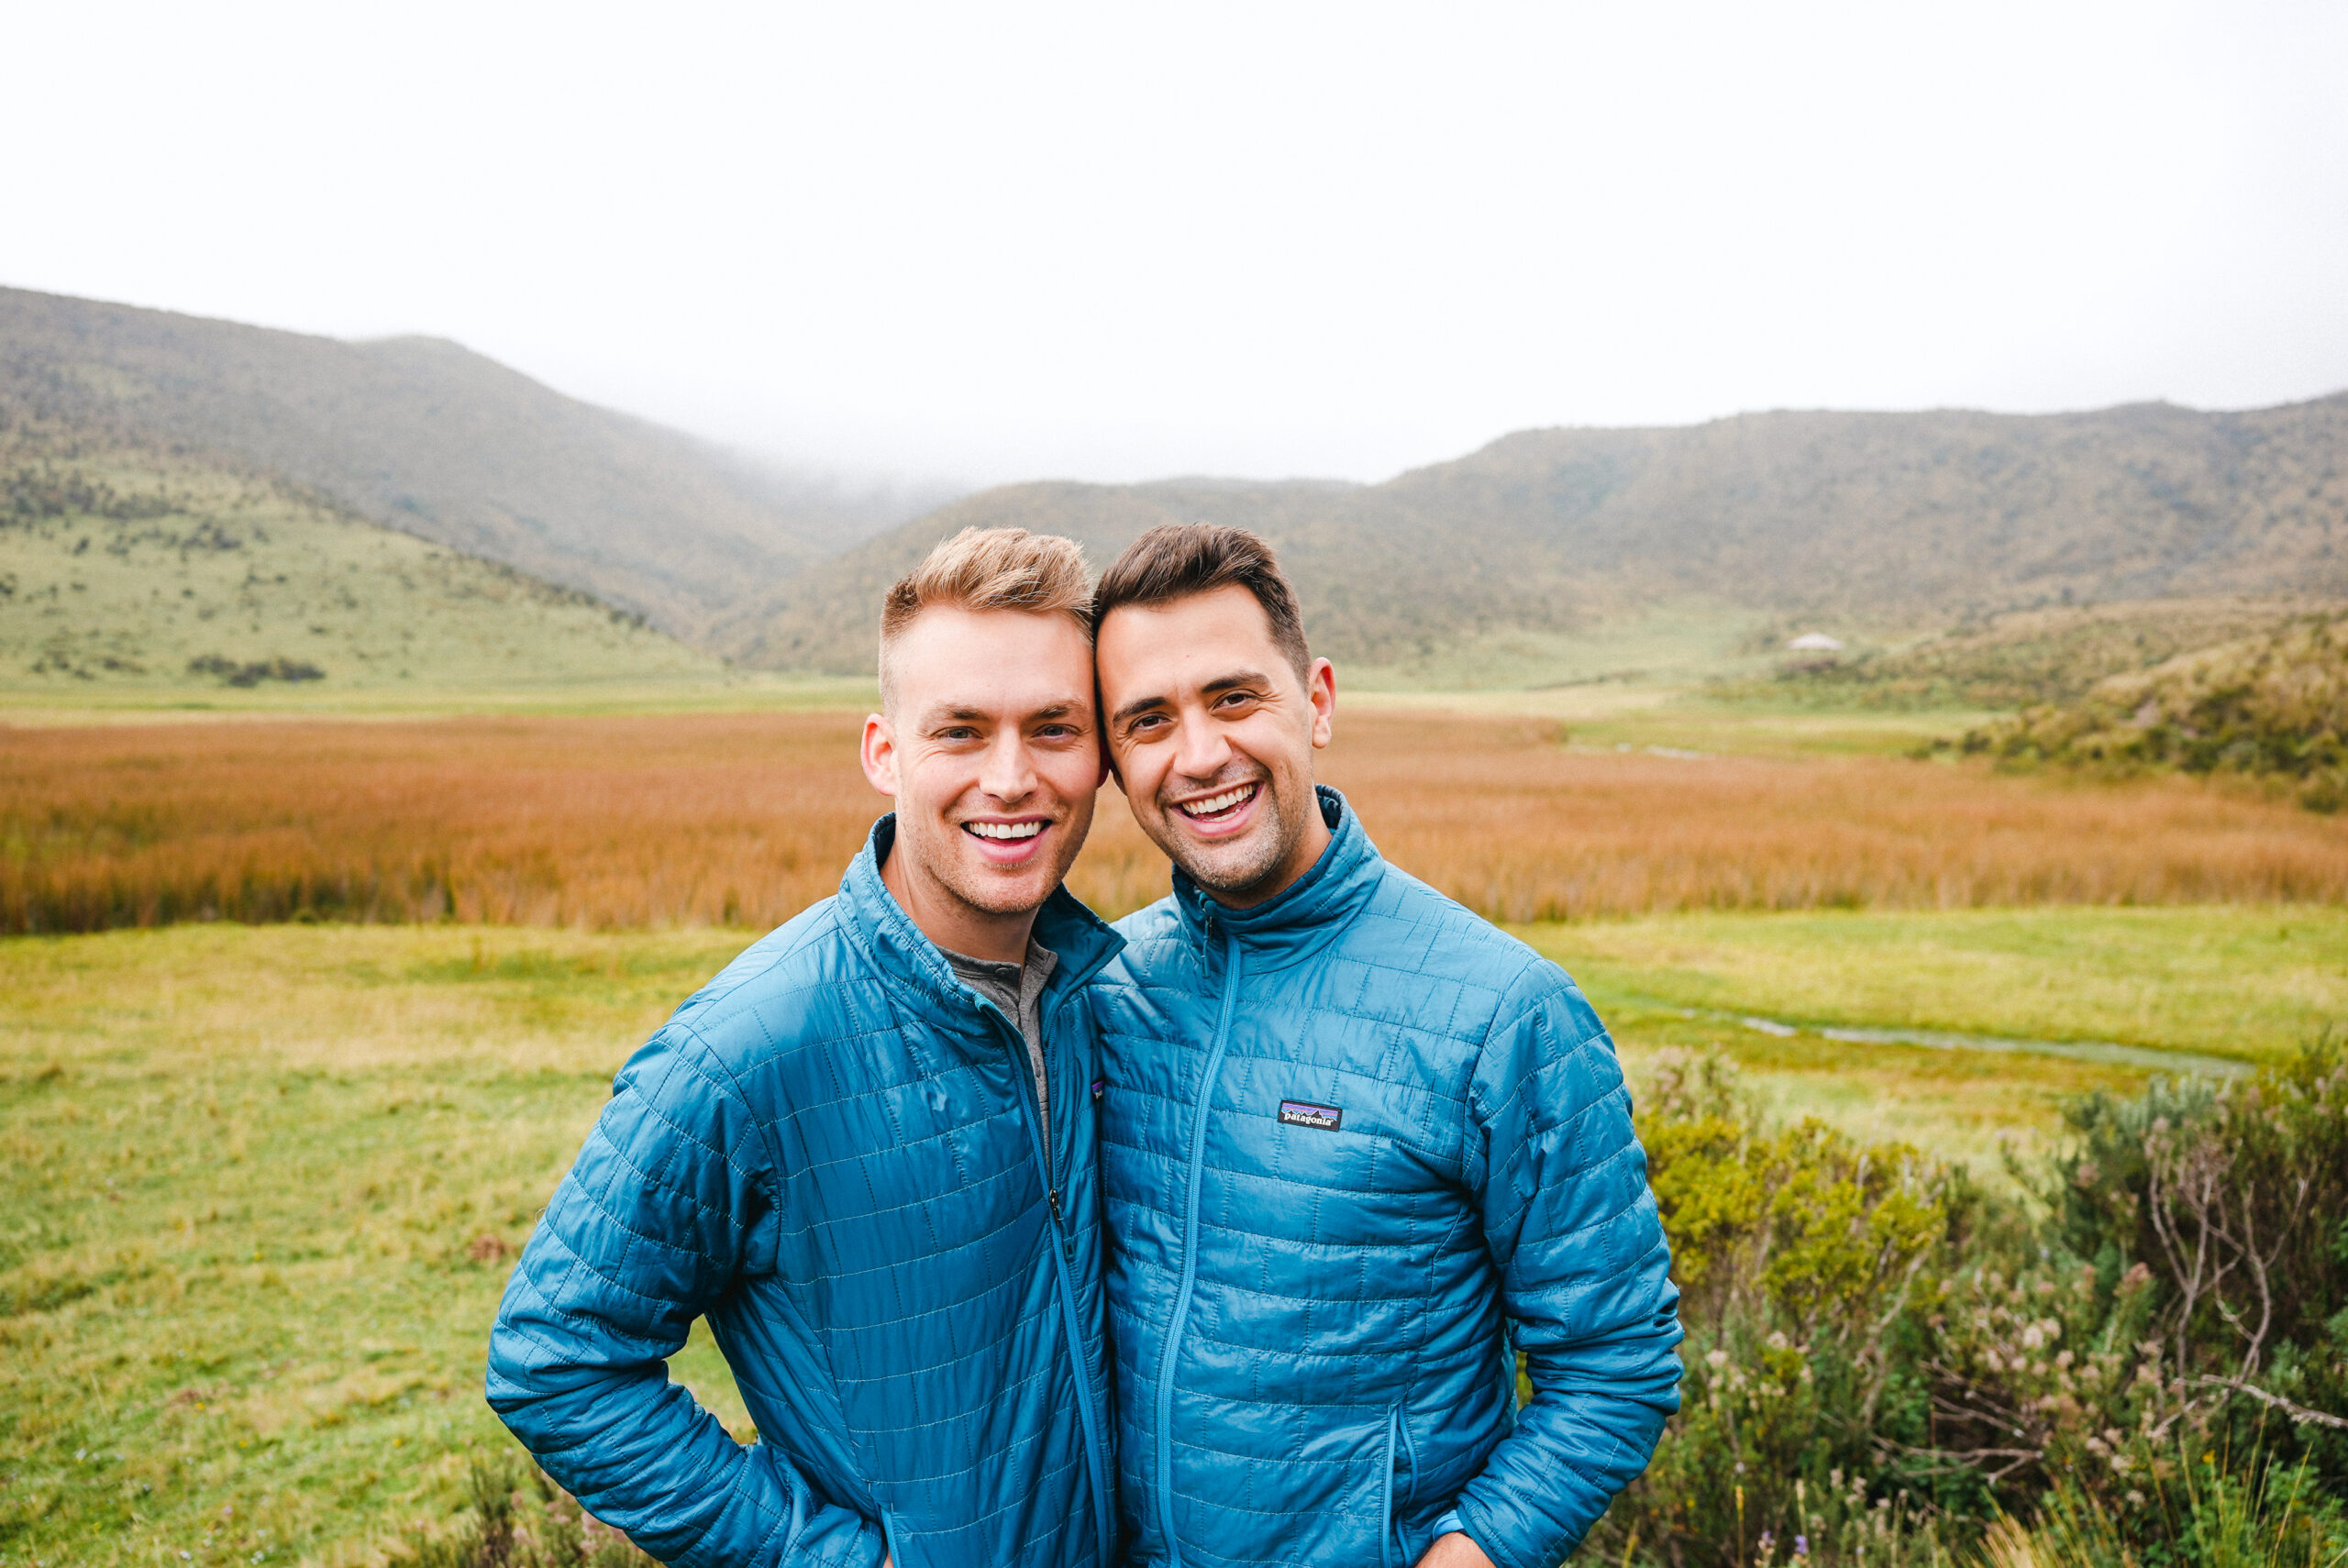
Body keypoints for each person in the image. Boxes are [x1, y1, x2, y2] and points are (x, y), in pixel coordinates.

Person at [486, 527, 1122, 1568]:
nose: (1011, 778)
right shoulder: (744, 1049)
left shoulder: (1108, 994)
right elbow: (556, 1360)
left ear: (1097, 755)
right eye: (958, 732)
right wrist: (816, 1556)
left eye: (1053, 728)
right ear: (884, 751)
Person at [1089, 524, 1683, 1568]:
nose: (1199, 755)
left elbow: (1615, 1363)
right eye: (1148, 721)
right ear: (1113, 760)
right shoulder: (1105, 990)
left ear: (1315, 701)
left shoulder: (1506, 1012)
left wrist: (1470, 1554)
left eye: (1234, 698)